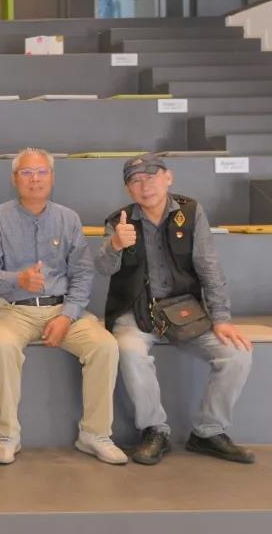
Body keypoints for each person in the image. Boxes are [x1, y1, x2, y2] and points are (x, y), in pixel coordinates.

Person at [95, 153, 254, 465]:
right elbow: (103, 267)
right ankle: (155, 430)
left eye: (151, 177)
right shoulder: (119, 221)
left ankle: (208, 431)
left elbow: (209, 267)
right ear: (128, 189)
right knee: (129, 350)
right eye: (135, 181)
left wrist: (221, 318)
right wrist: (115, 245)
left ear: (168, 178)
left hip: (185, 310)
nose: (145, 186)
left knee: (237, 354)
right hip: (136, 311)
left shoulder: (191, 212)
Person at [0, 148, 127, 466]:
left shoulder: (68, 219)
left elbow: (82, 273)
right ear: (14, 179)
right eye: (26, 173)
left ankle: (95, 434)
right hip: (10, 310)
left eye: (41, 172)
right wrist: (18, 279)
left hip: (62, 309)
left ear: (52, 177)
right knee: (2, 347)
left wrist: (67, 316)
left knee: (104, 346)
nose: (34, 179)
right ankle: (7, 434)